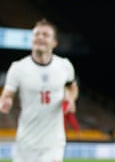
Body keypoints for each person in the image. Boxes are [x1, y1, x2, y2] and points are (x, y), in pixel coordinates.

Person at [0, 18, 78, 162]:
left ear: (54, 43)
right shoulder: (18, 68)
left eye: (45, 34)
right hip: (25, 144)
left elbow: (72, 87)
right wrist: (6, 101)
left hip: (53, 143)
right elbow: (7, 94)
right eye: (37, 34)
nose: (40, 37)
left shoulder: (64, 66)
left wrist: (71, 98)